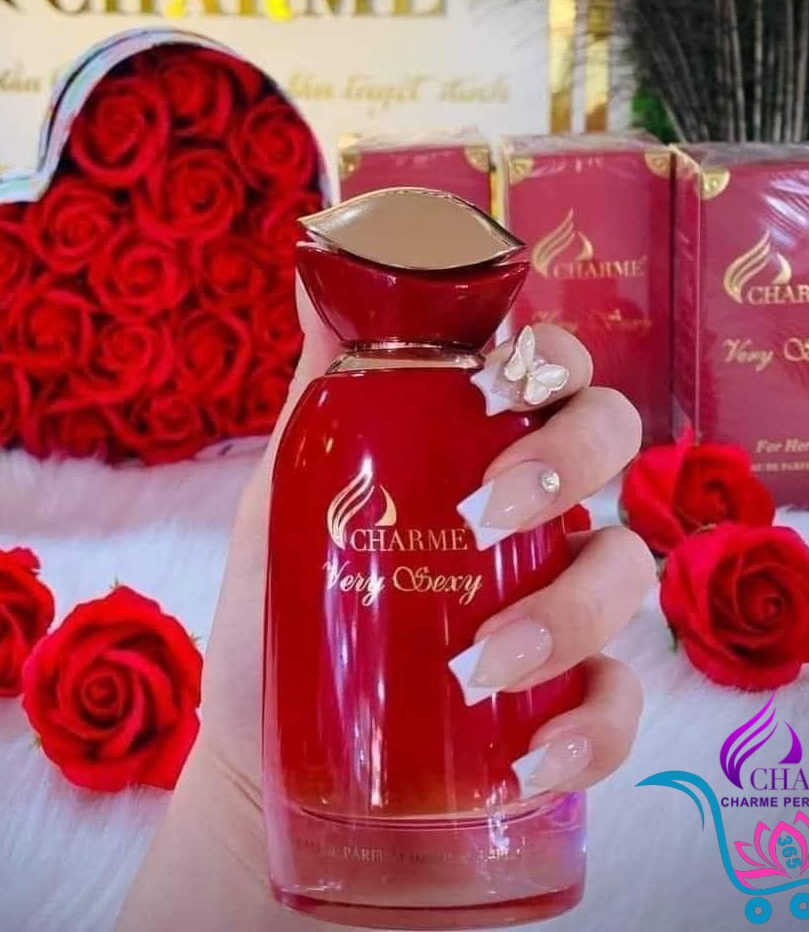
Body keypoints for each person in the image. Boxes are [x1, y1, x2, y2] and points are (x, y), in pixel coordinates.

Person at [117, 291, 655, 931]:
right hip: (287, 846)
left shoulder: (501, 405)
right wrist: (238, 808)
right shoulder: (333, 403)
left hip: (506, 833)